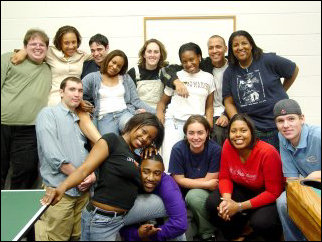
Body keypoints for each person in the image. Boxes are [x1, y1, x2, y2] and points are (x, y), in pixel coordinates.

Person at [40, 112, 165, 241]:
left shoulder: (136, 156)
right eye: (144, 131)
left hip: (117, 220)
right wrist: (62, 187)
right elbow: (84, 170)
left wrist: (150, 151)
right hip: (101, 220)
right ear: (134, 124)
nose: (145, 138)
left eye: (150, 138)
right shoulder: (112, 141)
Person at [34, 76, 96, 240]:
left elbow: (93, 151)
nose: (77, 94)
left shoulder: (83, 118)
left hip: (83, 194)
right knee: (55, 237)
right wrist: (81, 177)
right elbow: (53, 156)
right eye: (72, 89)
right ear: (61, 92)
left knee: (79, 237)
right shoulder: (48, 114)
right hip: (59, 192)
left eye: (80, 91)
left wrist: (92, 176)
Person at [206, 113, 284, 241]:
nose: (238, 135)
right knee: (214, 203)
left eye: (243, 130)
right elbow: (225, 177)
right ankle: (236, 233)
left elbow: (273, 192)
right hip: (243, 190)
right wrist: (227, 201)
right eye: (233, 131)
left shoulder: (268, 152)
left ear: (252, 133)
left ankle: (250, 230)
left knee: (261, 222)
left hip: (265, 195)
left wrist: (239, 206)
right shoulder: (227, 145)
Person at [222, 30, 299, 151]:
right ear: (231, 50)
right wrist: (239, 122)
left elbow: (293, 70)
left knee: (281, 165)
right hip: (253, 130)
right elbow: (228, 102)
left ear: (251, 45)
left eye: (244, 43)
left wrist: (282, 91)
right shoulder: (229, 72)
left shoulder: (268, 60)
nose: (240, 47)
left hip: (278, 125)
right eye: (235, 45)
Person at [1, 28, 51, 190]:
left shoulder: (48, 68)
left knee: (27, 169)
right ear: (24, 46)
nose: (38, 47)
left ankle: (16, 208)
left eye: (42, 45)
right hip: (3, 124)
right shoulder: (9, 59)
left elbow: (66, 49)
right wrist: (22, 52)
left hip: (29, 129)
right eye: (33, 44)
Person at [157, 42, 215, 171]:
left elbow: (209, 106)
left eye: (192, 59)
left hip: (197, 124)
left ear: (199, 57)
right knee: (169, 163)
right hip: (175, 122)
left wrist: (209, 122)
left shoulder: (208, 77)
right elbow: (162, 102)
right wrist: (160, 114)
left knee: (195, 163)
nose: (188, 64)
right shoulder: (176, 77)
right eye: (184, 61)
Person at [163, 35, 230, 146]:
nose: (214, 51)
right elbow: (165, 70)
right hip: (178, 119)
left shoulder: (232, 67)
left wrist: (225, 115)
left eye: (218, 47)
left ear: (225, 49)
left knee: (217, 135)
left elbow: (234, 97)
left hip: (218, 113)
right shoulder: (204, 64)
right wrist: (176, 81)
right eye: (211, 48)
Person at [273, 99, 321, 241]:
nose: (286, 125)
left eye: (291, 119)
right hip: (310, 184)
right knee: (284, 201)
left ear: (302, 119)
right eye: (280, 121)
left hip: (314, 182)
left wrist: (316, 175)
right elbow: (292, 180)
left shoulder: (318, 136)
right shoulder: (282, 137)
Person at [168, 115, 221, 240]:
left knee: (194, 196)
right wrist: (204, 184)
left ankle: (208, 232)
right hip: (182, 190)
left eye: (200, 133)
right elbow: (178, 180)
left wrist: (187, 182)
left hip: (202, 192)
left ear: (207, 133)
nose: (196, 137)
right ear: (185, 134)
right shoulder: (178, 149)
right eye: (191, 133)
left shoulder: (215, 150)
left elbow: (212, 179)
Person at [11, 25, 91, 106]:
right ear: (60, 43)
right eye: (66, 43)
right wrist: (24, 51)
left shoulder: (82, 55)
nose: (71, 46)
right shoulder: (50, 52)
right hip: (55, 98)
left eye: (74, 42)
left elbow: (100, 56)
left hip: (76, 99)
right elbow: (33, 50)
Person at [82, 49, 155, 136]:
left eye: (119, 66)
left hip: (124, 113)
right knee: (110, 142)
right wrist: (81, 102)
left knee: (135, 133)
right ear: (108, 60)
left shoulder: (126, 78)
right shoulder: (93, 77)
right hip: (104, 118)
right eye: (113, 62)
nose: (114, 67)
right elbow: (77, 90)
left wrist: (155, 112)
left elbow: (136, 100)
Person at [120, 152, 188, 241]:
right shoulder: (130, 180)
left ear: (162, 172)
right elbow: (115, 222)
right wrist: (137, 234)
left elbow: (180, 224)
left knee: (175, 221)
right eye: (146, 172)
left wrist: (152, 237)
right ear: (138, 168)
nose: (150, 178)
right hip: (129, 224)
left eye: (157, 173)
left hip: (158, 226)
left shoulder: (167, 184)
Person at [127, 38, 168, 109]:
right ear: (144, 54)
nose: (152, 55)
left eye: (156, 52)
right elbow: (128, 99)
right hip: (139, 112)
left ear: (160, 55)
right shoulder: (133, 72)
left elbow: (168, 96)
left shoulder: (164, 72)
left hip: (159, 111)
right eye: (149, 51)